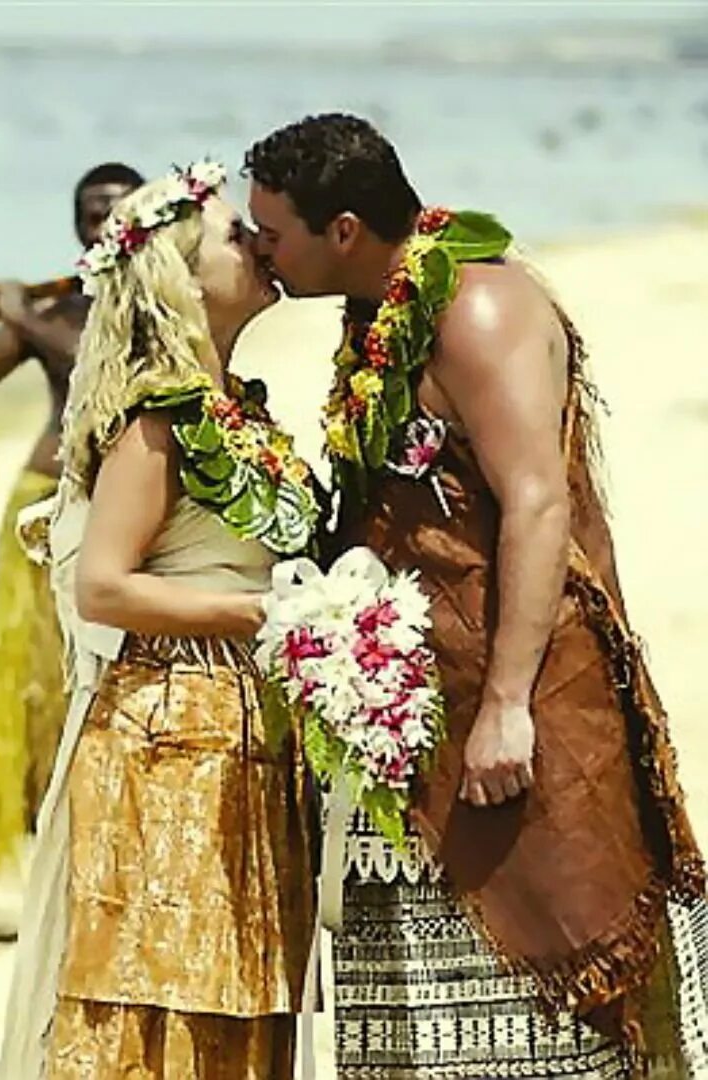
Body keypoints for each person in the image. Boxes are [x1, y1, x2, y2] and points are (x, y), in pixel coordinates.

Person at [246, 112, 707, 1077]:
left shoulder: (477, 311)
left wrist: (504, 706)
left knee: (560, 936)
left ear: (342, 231)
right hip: (424, 683)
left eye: (272, 233)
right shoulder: (377, 312)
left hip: (524, 676)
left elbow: (536, 504)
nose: (261, 252)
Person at [0, 166, 317, 1078]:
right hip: (166, 731)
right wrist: (262, 613)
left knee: (239, 978)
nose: (257, 244)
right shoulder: (155, 423)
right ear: (178, 276)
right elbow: (103, 587)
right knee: (160, 979)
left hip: (243, 722)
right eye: (231, 237)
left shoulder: (237, 412)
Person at [0, 162, 144, 877]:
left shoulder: (156, 306)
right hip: (43, 501)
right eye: (88, 213)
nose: (101, 223)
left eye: (116, 210)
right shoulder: (52, 310)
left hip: (121, 512)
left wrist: (16, 310)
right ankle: (50, 829)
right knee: (38, 676)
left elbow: (93, 366)